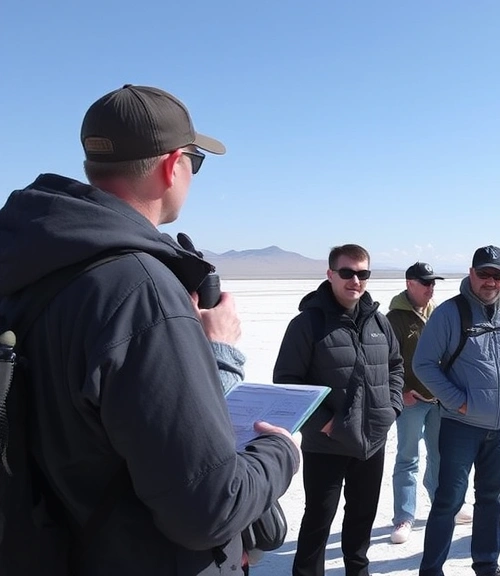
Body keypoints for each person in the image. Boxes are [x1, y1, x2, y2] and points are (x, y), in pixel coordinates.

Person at [0, 85, 299, 575]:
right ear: (171, 165)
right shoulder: (139, 292)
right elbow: (207, 507)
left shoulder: (32, 265)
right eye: (195, 162)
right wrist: (280, 452)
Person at [273, 244, 403, 576]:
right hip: (327, 442)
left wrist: (391, 409)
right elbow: (288, 380)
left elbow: (395, 366)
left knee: (362, 516)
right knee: (319, 517)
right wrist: (326, 424)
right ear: (330, 274)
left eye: (362, 273)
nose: (355, 280)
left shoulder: (378, 321)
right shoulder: (308, 324)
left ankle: (357, 571)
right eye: (347, 272)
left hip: (371, 441)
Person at [414, 245, 500, 576]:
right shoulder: (450, 313)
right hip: (461, 425)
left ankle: (486, 564)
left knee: (491, 499)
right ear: (471, 273)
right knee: (448, 502)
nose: (490, 281)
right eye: (484, 274)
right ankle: (432, 570)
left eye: (497, 275)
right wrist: (458, 401)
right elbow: (423, 364)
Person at [386, 262, 473, 545]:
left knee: (439, 456)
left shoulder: (439, 313)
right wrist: (403, 392)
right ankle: (404, 516)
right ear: (410, 283)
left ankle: (442, 506)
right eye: (425, 283)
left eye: (433, 282)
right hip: (412, 400)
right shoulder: (394, 319)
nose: (430, 287)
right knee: (408, 457)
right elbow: (387, 362)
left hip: (440, 400)